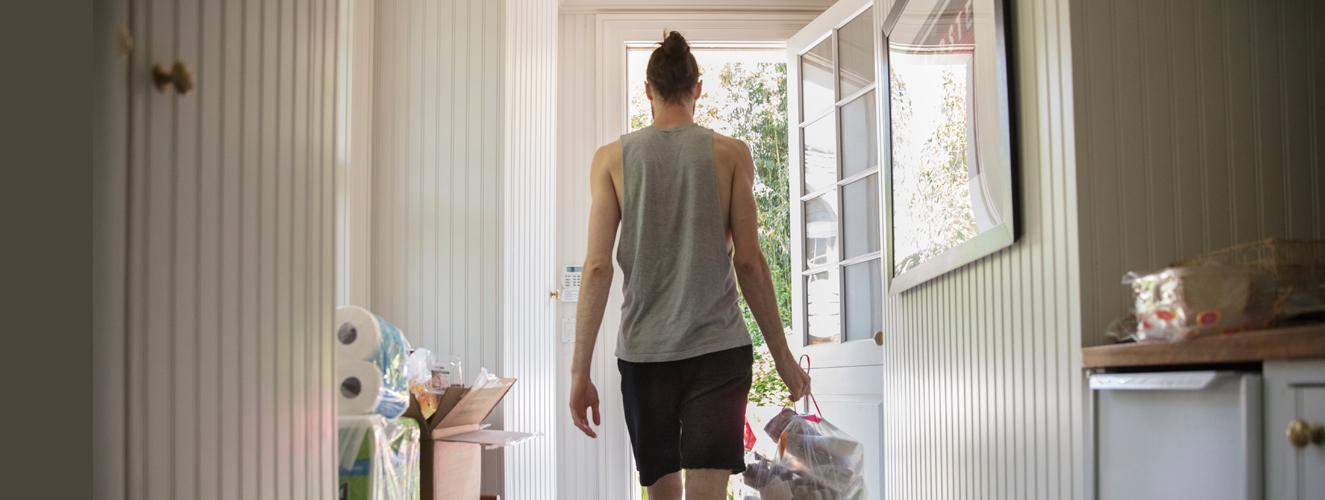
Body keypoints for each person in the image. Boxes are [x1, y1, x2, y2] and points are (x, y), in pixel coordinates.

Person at [567, 31, 811, 500]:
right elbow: (751, 264)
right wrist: (783, 361)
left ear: (648, 90)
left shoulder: (610, 160)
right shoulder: (732, 154)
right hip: (717, 354)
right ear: (698, 87)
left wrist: (579, 373)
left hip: (644, 357)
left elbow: (598, 268)